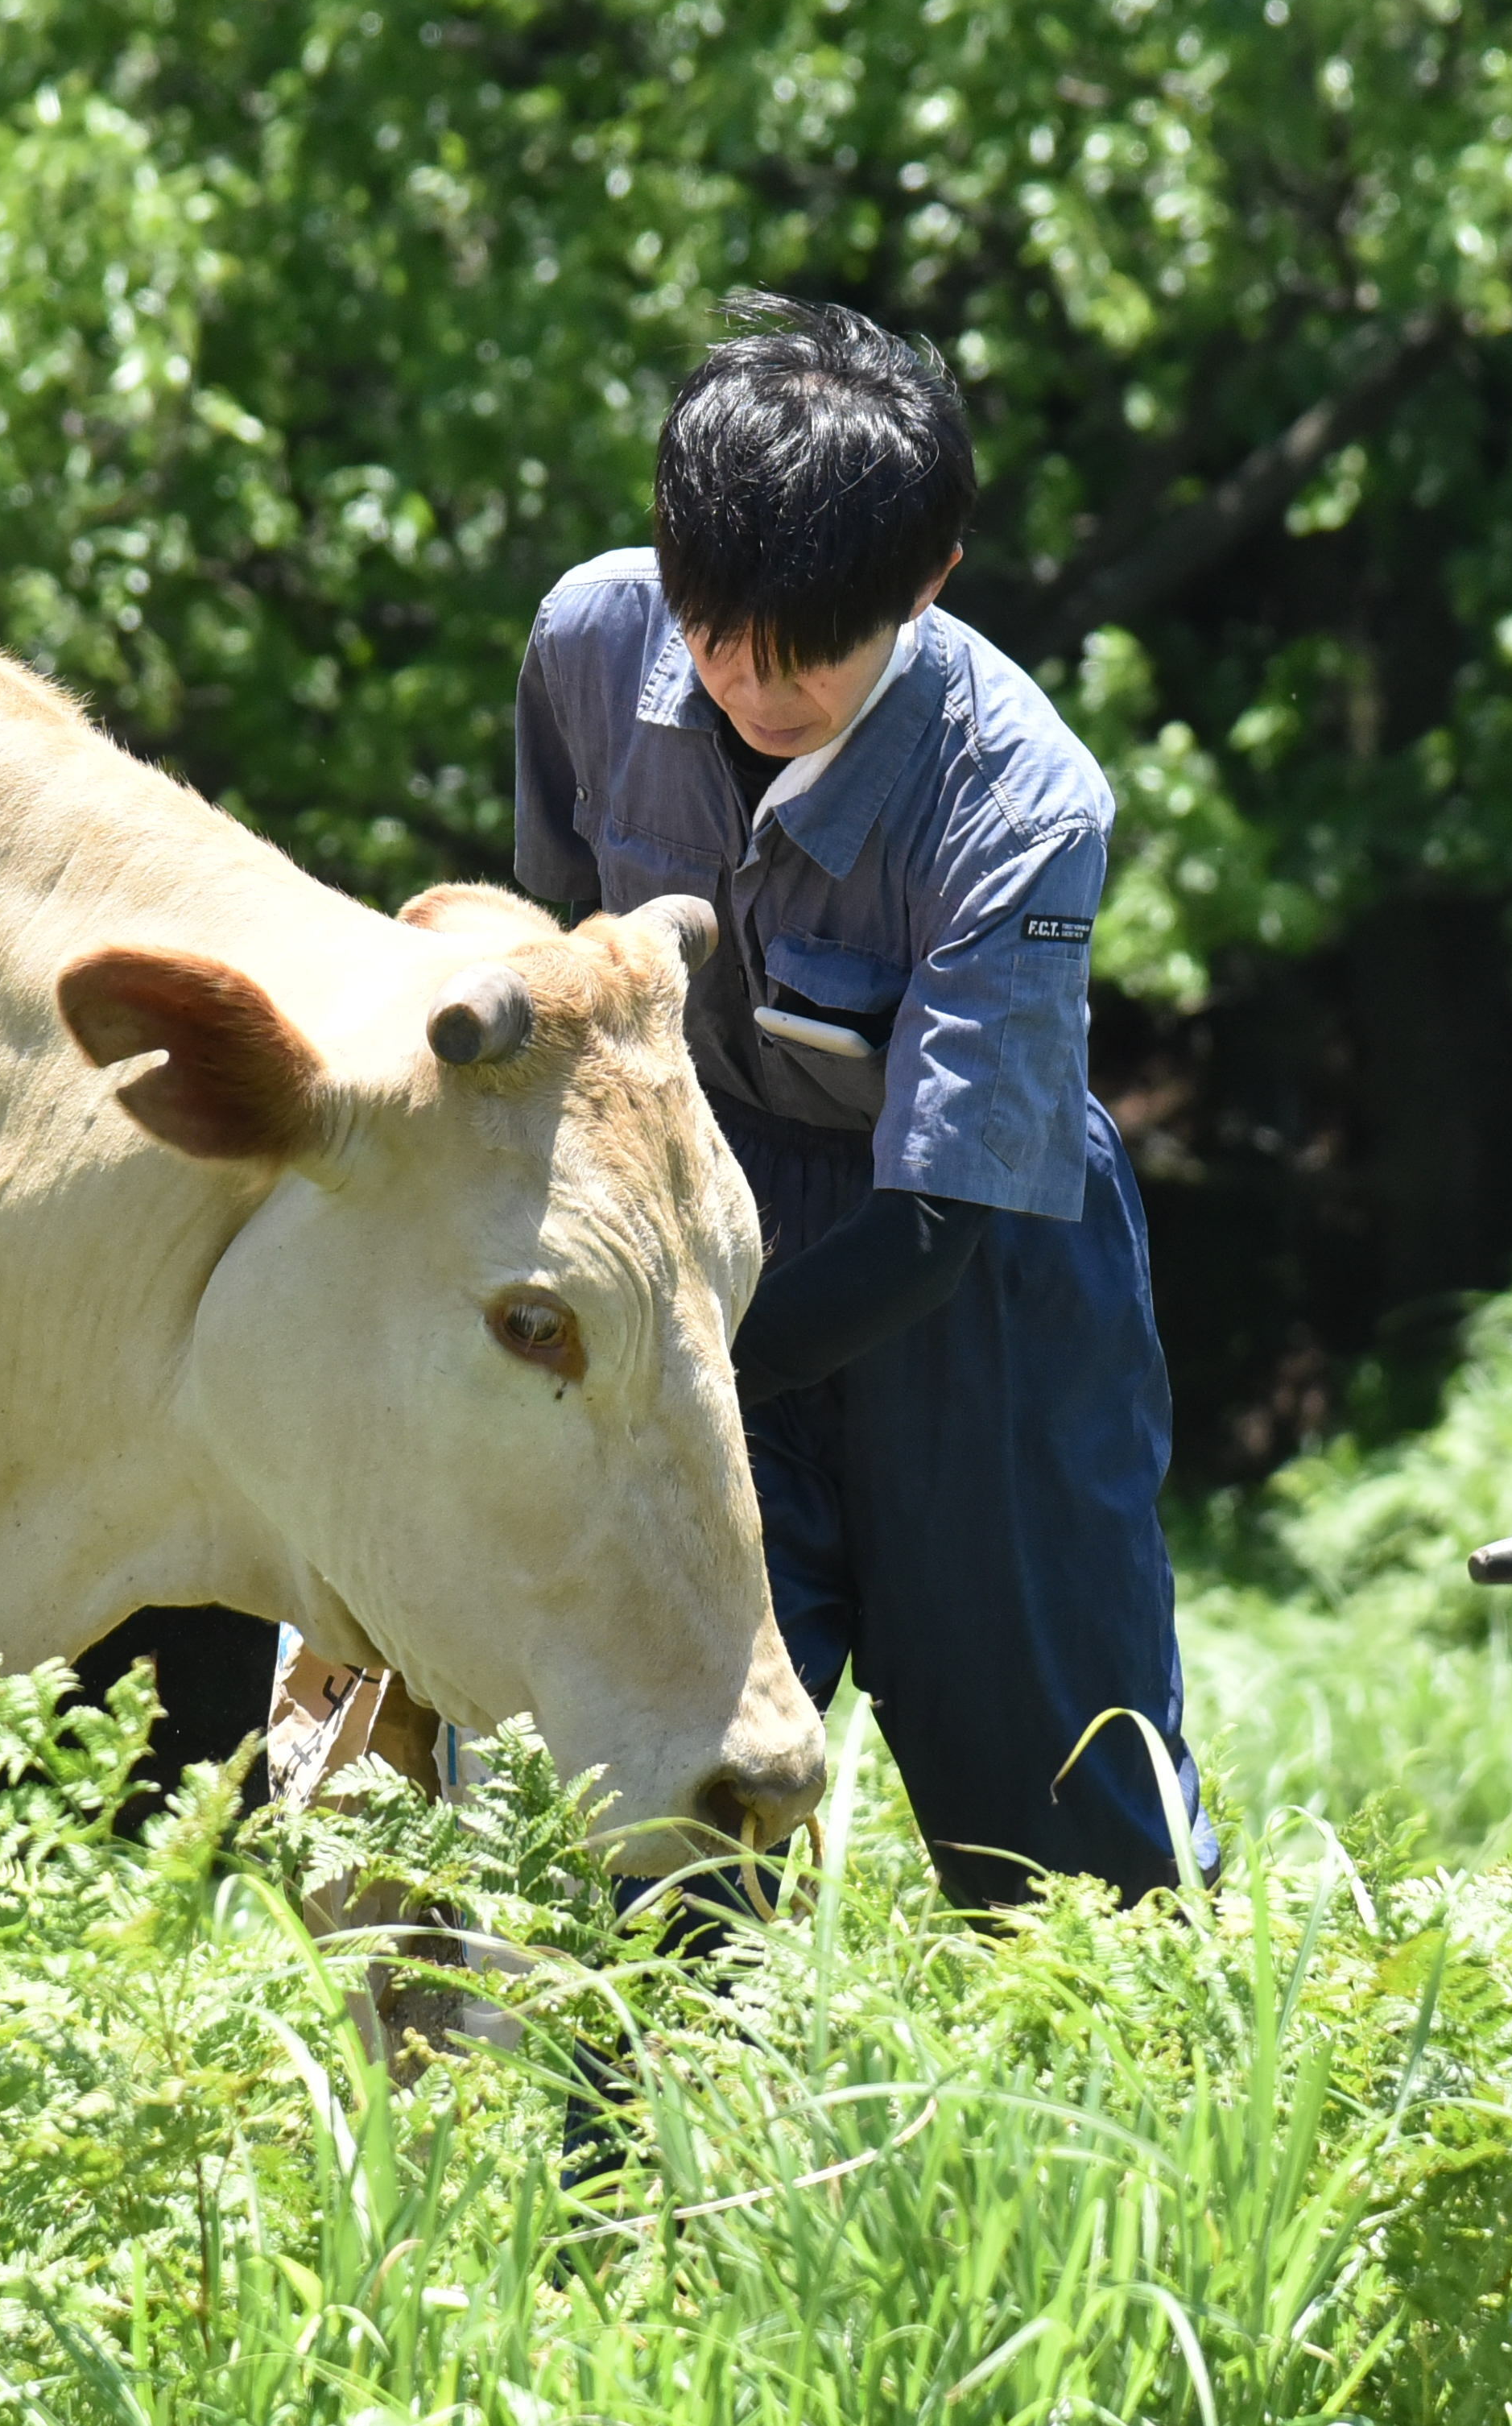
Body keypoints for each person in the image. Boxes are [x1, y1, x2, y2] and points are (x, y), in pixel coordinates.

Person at [512, 294, 1209, 1905]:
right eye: (716, 635)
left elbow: (936, 1222)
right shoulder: (585, 640)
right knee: (656, 1804)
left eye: (811, 650)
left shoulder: (1021, 800)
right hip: (699, 1216)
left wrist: (677, 1369)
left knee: (1067, 1829)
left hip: (978, 1283)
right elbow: (551, 963)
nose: (755, 686)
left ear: (928, 584)